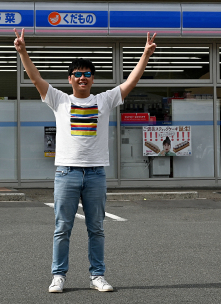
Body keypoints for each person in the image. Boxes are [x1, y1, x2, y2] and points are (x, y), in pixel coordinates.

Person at [14, 28, 157, 293]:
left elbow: (131, 82)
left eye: (87, 74)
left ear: (93, 78)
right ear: (70, 78)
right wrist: (23, 52)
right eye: (78, 74)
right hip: (66, 172)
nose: (83, 77)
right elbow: (35, 79)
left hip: (95, 174)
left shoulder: (104, 100)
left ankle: (97, 276)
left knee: (97, 229)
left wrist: (145, 55)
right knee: (62, 228)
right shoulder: (59, 100)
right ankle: (58, 276)